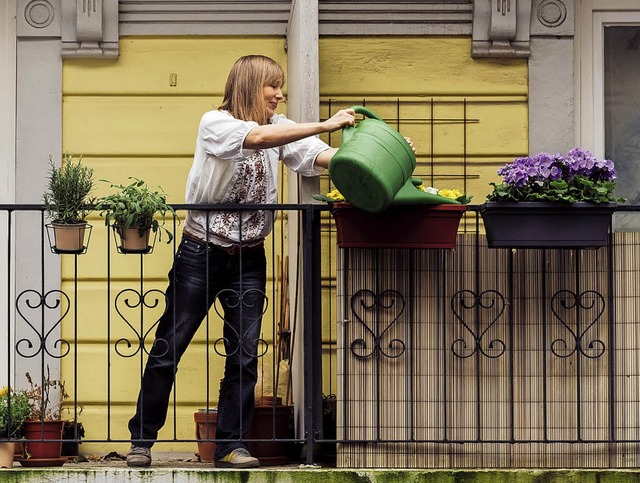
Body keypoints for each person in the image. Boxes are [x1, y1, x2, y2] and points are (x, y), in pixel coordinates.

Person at [125, 54, 359, 469]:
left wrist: (374, 154)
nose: (280, 93)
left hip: (249, 256)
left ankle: (230, 445)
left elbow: (319, 157)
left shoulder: (279, 127)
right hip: (201, 251)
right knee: (169, 346)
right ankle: (142, 440)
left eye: (281, 86)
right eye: (273, 86)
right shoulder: (215, 123)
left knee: (244, 354)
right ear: (251, 85)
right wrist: (325, 123)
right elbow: (254, 140)